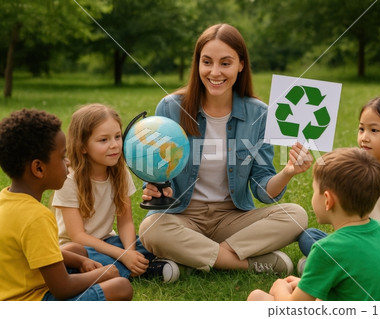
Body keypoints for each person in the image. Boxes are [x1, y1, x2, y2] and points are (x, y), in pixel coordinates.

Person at [139, 23, 311, 275]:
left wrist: (287, 172)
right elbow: (158, 173)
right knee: (151, 228)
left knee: (296, 215)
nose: (215, 72)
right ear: (197, 64)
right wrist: (154, 187)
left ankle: (194, 258)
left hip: (233, 218)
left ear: (241, 64)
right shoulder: (170, 107)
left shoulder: (259, 114)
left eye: (225, 63)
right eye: (207, 62)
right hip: (183, 215)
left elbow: (264, 192)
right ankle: (247, 263)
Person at [247, 148, 380, 301]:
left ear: (327, 200)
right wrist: (306, 285)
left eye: (314, 191)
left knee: (257, 298)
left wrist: (279, 289)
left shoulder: (326, 250)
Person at [0, 108, 132, 301]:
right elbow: (62, 289)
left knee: (77, 251)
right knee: (121, 287)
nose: (68, 162)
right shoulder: (36, 217)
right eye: (62, 157)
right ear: (38, 168)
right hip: (36, 299)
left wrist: (80, 260)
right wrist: (105, 273)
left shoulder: (6, 200)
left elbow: (40, 252)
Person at [298, 96, 380, 284]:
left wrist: (361, 247)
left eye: (374, 130)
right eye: (361, 129)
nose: (364, 137)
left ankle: (332, 266)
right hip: (357, 244)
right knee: (309, 236)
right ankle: (346, 268)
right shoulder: (360, 170)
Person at [52, 103, 179, 283]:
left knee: (150, 242)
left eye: (117, 137)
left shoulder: (120, 173)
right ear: (83, 147)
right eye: (103, 140)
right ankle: (139, 269)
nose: (114, 145)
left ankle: (131, 266)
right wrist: (123, 256)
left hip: (109, 242)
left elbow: (126, 221)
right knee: (92, 258)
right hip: (78, 249)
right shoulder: (69, 180)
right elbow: (78, 236)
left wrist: (130, 252)